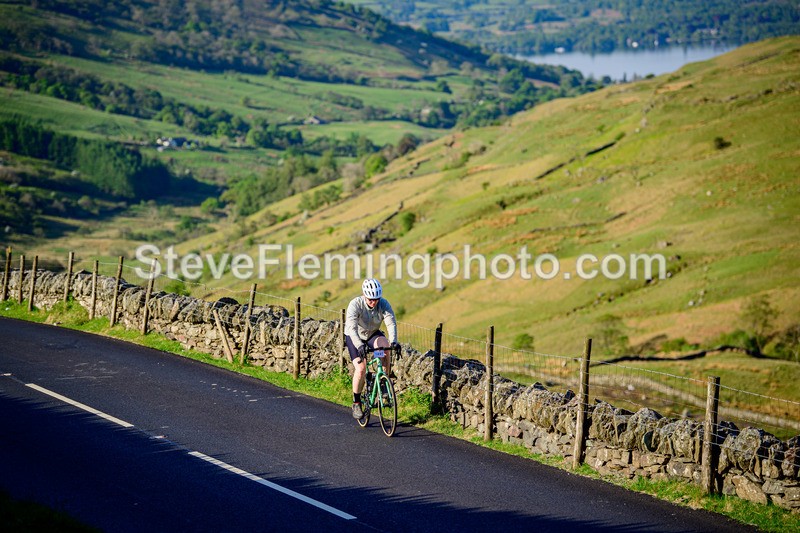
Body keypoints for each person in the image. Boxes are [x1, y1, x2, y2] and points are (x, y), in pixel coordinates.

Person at [345, 278, 399, 419]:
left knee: (385, 347)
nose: (373, 302)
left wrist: (394, 341)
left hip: (372, 334)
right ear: (364, 295)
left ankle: (383, 382)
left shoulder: (383, 304)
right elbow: (351, 328)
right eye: (370, 299)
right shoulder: (355, 304)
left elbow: (391, 323)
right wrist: (359, 345)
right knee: (361, 368)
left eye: (376, 299)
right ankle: (356, 402)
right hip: (354, 336)